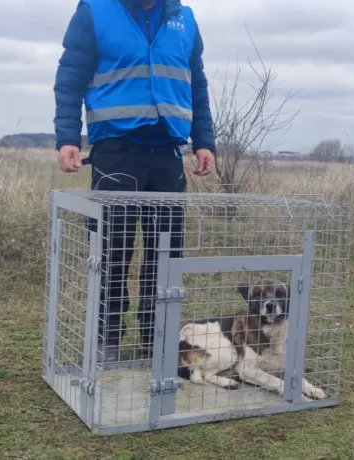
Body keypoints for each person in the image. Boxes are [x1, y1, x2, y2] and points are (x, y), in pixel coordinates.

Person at [53, 0, 215, 362]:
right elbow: (70, 77)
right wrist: (67, 136)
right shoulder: (95, 12)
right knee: (111, 252)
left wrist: (204, 140)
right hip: (116, 151)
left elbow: (197, 83)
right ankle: (107, 340)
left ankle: (154, 340)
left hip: (169, 152)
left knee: (167, 255)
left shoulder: (184, 18)